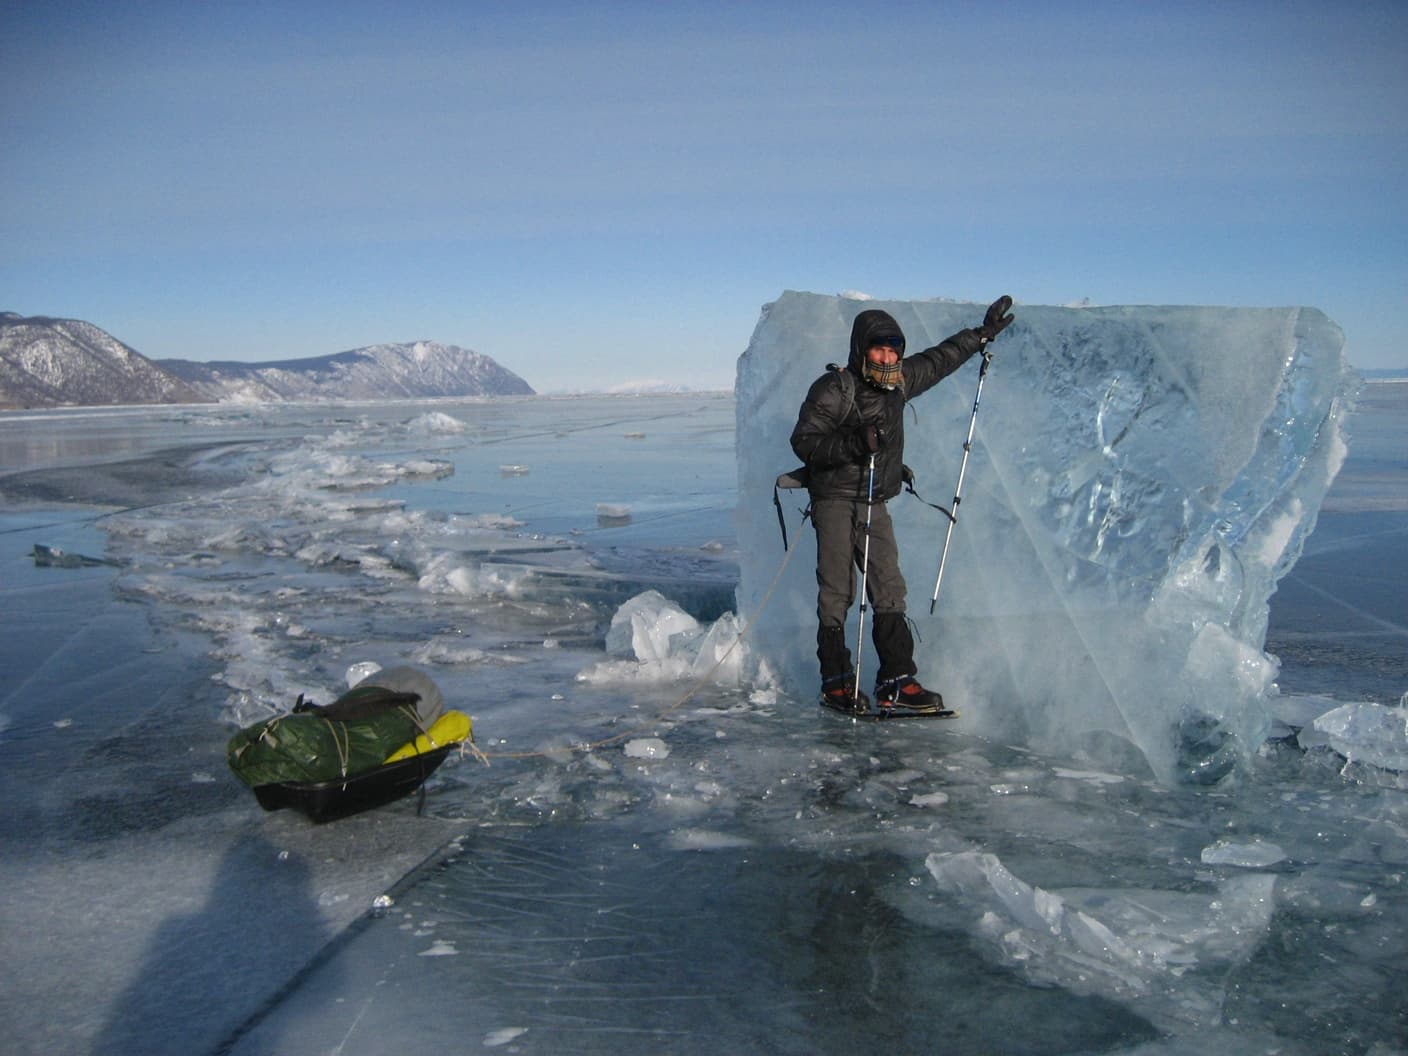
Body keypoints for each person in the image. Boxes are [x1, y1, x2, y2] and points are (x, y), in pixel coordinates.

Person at [789, 296, 1014, 713]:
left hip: (875, 501)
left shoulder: (899, 381)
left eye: (894, 350)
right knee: (837, 593)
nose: (888, 357)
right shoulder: (835, 389)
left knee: (889, 589)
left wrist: (979, 335)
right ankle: (835, 682)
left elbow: (939, 360)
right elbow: (804, 442)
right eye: (880, 349)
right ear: (861, 348)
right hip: (836, 499)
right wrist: (855, 443)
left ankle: (896, 680)